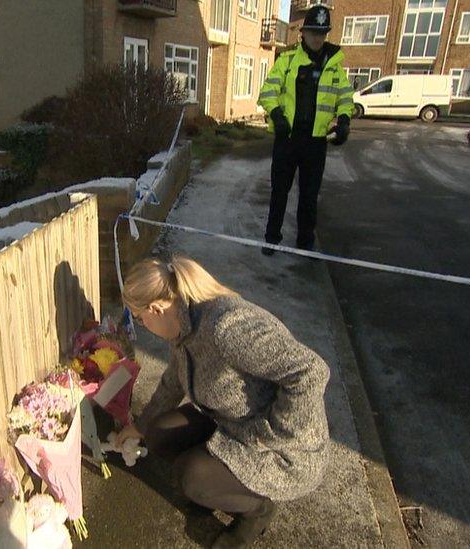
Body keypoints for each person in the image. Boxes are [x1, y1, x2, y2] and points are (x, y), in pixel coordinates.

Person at [116, 255, 330, 548]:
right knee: (157, 434)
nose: (141, 326)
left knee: (190, 476)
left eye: (139, 319)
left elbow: (311, 373)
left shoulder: (225, 327)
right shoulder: (183, 319)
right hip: (231, 419)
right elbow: (174, 379)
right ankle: (221, 484)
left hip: (283, 447)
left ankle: (258, 510)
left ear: (155, 308)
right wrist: (139, 426)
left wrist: (268, 434)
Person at [256, 5, 354, 253]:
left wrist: (344, 121)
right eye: (313, 32)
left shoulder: (333, 65)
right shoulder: (287, 61)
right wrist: (276, 114)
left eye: (322, 33)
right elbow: (268, 92)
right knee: (279, 191)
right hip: (288, 138)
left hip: (315, 141)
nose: (317, 38)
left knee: (309, 195)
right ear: (303, 33)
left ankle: (305, 242)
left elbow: (345, 97)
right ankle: (272, 238)